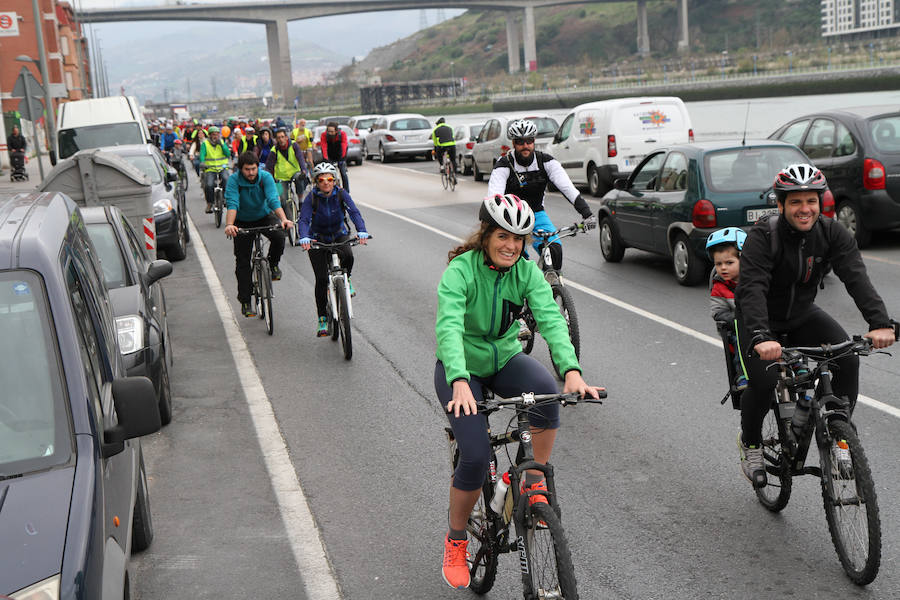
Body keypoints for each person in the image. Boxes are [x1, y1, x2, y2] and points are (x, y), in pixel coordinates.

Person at [434, 193, 603, 590]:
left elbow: (551, 319)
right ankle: (456, 541)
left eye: (518, 239)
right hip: (461, 369)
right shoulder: (461, 270)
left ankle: (533, 479)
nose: (511, 245)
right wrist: (459, 379)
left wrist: (571, 372)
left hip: (505, 358)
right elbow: (449, 327)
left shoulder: (525, 272)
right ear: (486, 235)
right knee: (476, 456)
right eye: (503, 236)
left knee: (545, 394)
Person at [734, 163, 895, 489]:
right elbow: (752, 289)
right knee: (763, 383)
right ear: (781, 205)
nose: (804, 209)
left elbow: (856, 276)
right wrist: (761, 336)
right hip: (759, 322)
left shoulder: (831, 232)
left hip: (801, 315)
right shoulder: (763, 236)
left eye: (811, 201)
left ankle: (838, 435)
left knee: (847, 359)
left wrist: (880, 323)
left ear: (820, 203)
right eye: (795, 201)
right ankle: (750, 444)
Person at [488, 119, 595, 271]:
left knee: (554, 250)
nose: (525, 145)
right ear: (513, 143)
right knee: (517, 260)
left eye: (529, 141)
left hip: (537, 214)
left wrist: (587, 213)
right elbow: (494, 197)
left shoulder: (546, 161)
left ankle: (550, 281)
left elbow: (567, 188)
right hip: (510, 218)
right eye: (520, 142)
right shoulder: (504, 165)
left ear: (534, 141)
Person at [297, 163, 369, 337]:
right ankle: (322, 318)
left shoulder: (341, 194)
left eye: (329, 179)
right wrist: (304, 237)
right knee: (322, 279)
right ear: (316, 182)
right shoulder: (311, 197)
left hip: (338, 234)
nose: (326, 183)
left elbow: (354, 213)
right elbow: (304, 219)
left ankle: (347, 279)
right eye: (321, 180)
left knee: (348, 256)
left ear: (334, 180)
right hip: (317, 239)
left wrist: (361, 230)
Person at [224, 151, 292, 318]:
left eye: (253, 169)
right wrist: (230, 224)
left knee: (279, 236)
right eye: (247, 169)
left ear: (257, 167)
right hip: (241, 220)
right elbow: (232, 203)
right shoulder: (234, 180)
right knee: (243, 261)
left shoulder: (265, 177)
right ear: (241, 169)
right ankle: (246, 301)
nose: (251, 173)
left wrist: (284, 219)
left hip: (263, 216)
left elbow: (273, 199)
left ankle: (273, 265)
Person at [706, 227, 748, 391]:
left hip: (762, 323)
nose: (723, 268)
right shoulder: (719, 286)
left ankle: (794, 365)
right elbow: (717, 311)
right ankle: (742, 373)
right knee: (740, 339)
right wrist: (737, 319)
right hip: (736, 328)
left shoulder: (754, 279)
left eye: (729, 263)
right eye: (718, 264)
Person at [265, 128, 309, 212]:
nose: (281, 139)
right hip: (281, 177)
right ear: (276, 139)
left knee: (300, 179)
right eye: (278, 138)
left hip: (294, 172)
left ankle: (301, 202)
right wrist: (270, 178)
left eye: (282, 137)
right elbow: (269, 166)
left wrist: (304, 170)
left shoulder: (294, 145)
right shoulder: (274, 150)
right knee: (282, 200)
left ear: (286, 137)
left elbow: (300, 158)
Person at [199, 125, 232, 213]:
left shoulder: (222, 142)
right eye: (213, 134)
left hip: (222, 167)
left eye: (217, 134)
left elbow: (228, 154)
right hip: (210, 168)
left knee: (226, 179)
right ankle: (210, 203)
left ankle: (226, 199)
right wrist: (202, 163)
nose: (215, 136)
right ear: (209, 135)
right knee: (209, 185)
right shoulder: (205, 144)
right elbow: (202, 155)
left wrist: (222, 145)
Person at [320, 121, 350, 192]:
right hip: (330, 154)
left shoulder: (342, 134)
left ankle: (346, 191)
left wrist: (342, 158)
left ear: (336, 131)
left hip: (340, 154)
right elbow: (324, 146)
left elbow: (344, 145)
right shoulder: (324, 135)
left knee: (343, 173)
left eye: (332, 132)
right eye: (328, 131)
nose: (330, 133)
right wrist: (326, 158)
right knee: (328, 174)